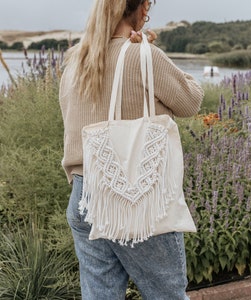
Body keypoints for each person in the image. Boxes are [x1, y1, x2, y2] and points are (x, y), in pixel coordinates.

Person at [59, 0, 204, 299]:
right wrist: (150, 54)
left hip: (84, 196)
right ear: (139, 9)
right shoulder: (144, 56)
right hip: (136, 197)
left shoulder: (75, 61)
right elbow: (191, 101)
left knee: (100, 295)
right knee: (168, 295)